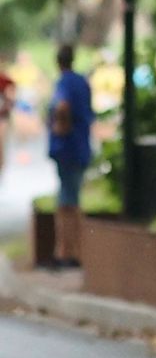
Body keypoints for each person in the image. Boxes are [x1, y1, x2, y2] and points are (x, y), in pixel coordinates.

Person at [48, 43, 94, 269]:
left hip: (67, 149)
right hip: (79, 146)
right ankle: (72, 251)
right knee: (71, 198)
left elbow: (62, 106)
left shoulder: (65, 82)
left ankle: (67, 252)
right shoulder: (82, 81)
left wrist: (60, 128)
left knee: (67, 202)